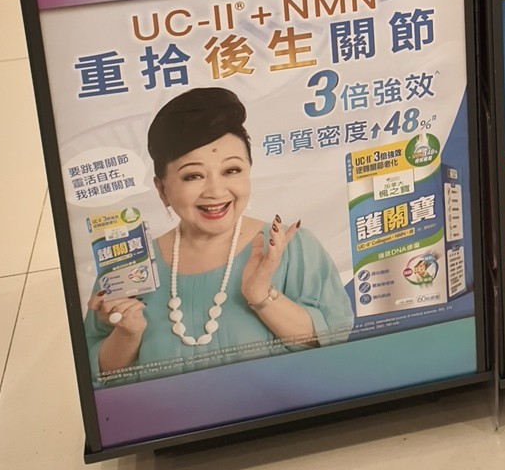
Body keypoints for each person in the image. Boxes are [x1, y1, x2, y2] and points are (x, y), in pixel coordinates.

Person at [87, 86, 352, 382]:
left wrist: (262, 296)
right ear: (162, 189)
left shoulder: (291, 247)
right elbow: (102, 377)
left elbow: (332, 342)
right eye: (193, 176)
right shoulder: (128, 266)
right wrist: (127, 333)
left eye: (231, 171)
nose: (215, 191)